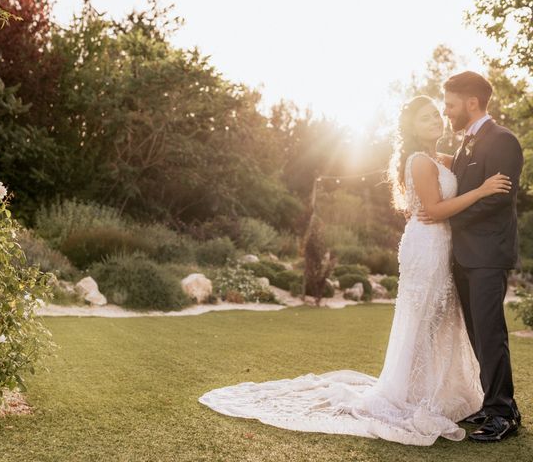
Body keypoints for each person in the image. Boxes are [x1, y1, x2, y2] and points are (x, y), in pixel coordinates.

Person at [198, 94, 513, 446]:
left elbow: (454, 185)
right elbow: (436, 210)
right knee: (422, 318)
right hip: (426, 246)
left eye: (437, 115)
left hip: (445, 248)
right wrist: (483, 190)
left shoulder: (444, 159)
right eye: (425, 118)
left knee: (440, 320)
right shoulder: (419, 160)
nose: (436, 120)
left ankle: (435, 392)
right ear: (411, 127)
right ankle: (409, 396)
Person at [417, 71, 522, 442]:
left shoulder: (503, 141)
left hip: (488, 255)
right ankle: (496, 403)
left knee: (491, 333)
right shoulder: (465, 145)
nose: (446, 112)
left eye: (449, 104)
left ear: (471, 102)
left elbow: (498, 198)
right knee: (478, 334)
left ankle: (502, 414)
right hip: (463, 256)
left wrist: (447, 215)